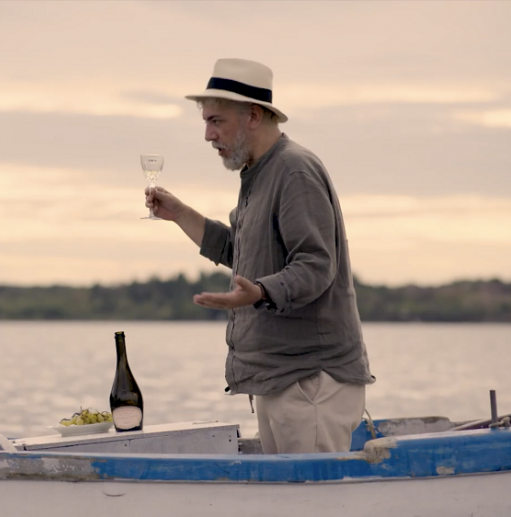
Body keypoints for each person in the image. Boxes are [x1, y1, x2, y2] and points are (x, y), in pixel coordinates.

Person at [146, 59, 374, 454]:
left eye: (216, 121)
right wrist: (180, 214)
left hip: (310, 383)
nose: (207, 134)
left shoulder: (293, 170)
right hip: (283, 381)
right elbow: (243, 252)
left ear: (253, 115)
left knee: (308, 492)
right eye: (206, 121)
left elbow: (316, 265)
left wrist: (261, 293)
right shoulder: (261, 171)